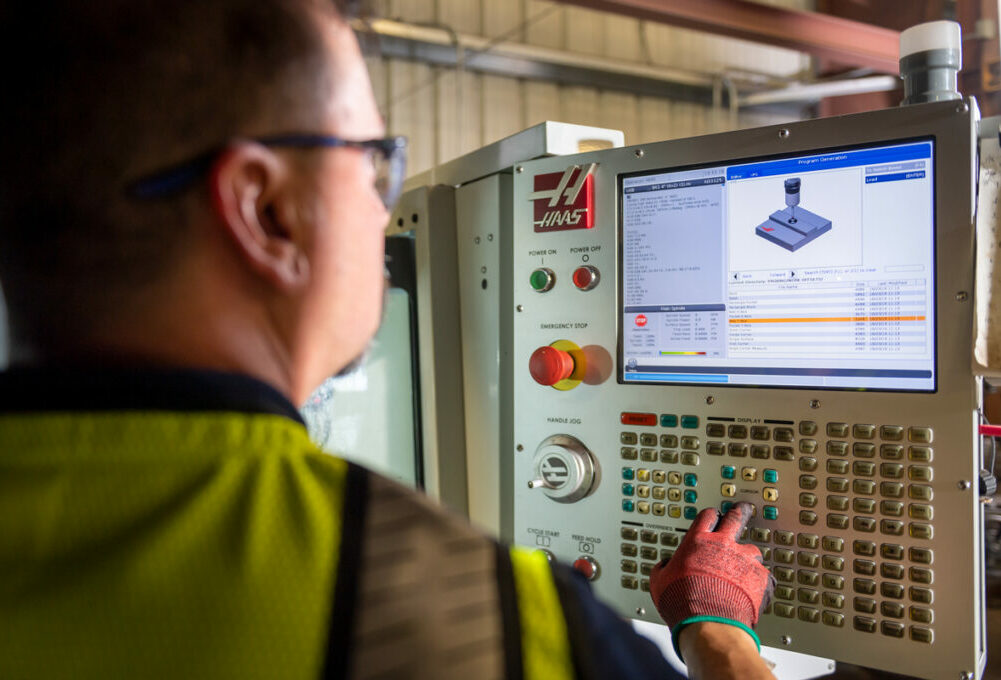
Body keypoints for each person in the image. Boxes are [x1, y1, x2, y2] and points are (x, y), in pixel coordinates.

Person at [0, 1, 774, 678]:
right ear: (268, 211)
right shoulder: (473, 614)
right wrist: (719, 636)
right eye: (372, 165)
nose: (383, 213)